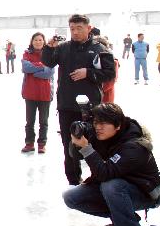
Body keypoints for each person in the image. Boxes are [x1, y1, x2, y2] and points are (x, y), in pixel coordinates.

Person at [62, 103, 160, 226]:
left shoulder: (134, 146)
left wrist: (86, 147)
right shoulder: (103, 136)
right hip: (118, 188)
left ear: (118, 126)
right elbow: (75, 156)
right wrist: (77, 139)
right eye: (96, 123)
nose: (98, 127)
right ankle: (123, 218)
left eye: (103, 124)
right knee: (71, 197)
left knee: (111, 185)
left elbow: (105, 173)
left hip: (144, 193)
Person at [42, 14, 116, 185]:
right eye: (72, 29)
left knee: (95, 143)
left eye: (79, 28)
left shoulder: (100, 49)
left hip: (91, 107)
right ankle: (74, 180)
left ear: (88, 28)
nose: (75, 32)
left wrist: (88, 73)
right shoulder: (64, 48)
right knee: (69, 145)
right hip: (67, 105)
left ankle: (98, 178)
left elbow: (110, 73)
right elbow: (48, 62)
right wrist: (49, 48)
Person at [21, 32, 54, 153]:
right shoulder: (26, 53)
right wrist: (42, 66)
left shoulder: (49, 54)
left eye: (40, 40)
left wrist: (34, 70)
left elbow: (49, 72)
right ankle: (29, 143)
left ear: (44, 42)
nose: (38, 42)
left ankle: (41, 144)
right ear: (32, 42)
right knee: (30, 121)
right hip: (30, 93)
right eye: (35, 40)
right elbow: (25, 68)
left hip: (45, 94)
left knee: (43, 122)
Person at [94, 36, 119, 103]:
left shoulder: (113, 62)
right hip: (94, 96)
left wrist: (97, 91)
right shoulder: (93, 59)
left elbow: (110, 81)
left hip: (106, 96)